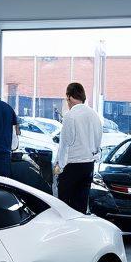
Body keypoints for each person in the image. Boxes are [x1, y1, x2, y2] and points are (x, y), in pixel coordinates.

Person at [54, 82, 104, 213]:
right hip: (88, 165)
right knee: (81, 204)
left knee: (64, 206)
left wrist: (60, 165)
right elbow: (98, 140)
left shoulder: (70, 116)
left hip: (72, 165)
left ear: (69, 97)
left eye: (67, 100)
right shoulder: (94, 115)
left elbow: (65, 143)